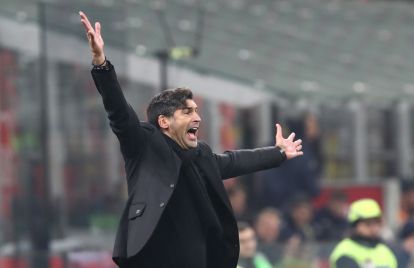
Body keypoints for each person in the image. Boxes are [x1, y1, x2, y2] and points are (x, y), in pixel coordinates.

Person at [79, 11, 304, 268]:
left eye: (196, 110)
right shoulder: (144, 144)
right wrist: (101, 64)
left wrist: (278, 152)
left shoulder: (201, 155)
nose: (197, 117)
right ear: (164, 121)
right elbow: (118, 111)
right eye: (187, 111)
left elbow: (234, 161)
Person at [330, 198, 398, 268]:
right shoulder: (346, 250)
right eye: (368, 223)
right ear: (355, 225)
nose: (374, 228)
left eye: (377, 222)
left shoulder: (385, 251)